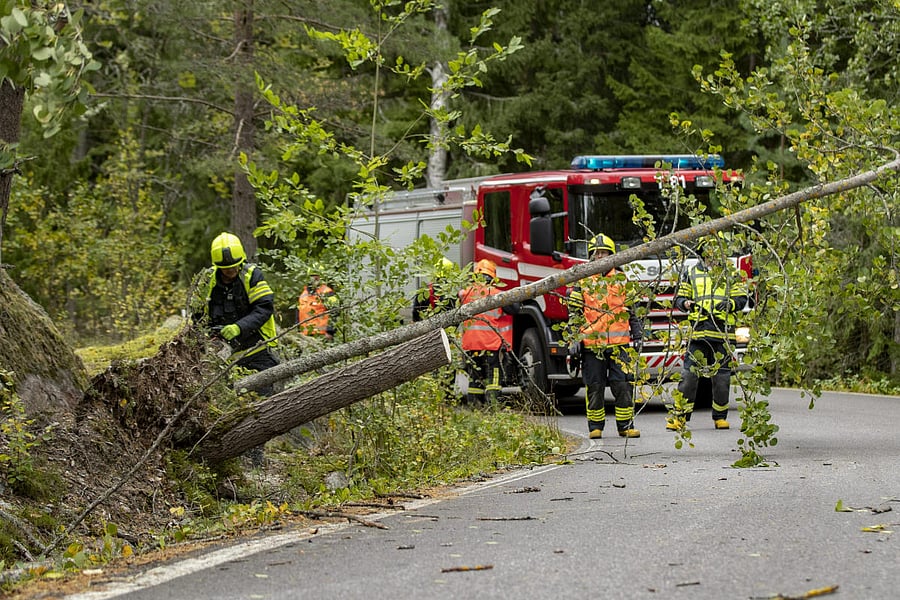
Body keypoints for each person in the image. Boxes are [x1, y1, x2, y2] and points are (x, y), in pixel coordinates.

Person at [193, 232, 279, 465]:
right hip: (221, 353)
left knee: (261, 402)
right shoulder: (208, 280)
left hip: (257, 348)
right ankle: (229, 454)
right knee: (225, 403)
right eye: (225, 269)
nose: (229, 272)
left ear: (240, 262)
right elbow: (197, 315)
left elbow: (264, 308)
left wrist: (239, 327)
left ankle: (256, 455)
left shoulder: (252, 276)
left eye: (233, 268)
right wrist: (208, 336)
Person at [668, 232, 749, 431]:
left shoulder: (730, 274)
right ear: (702, 252)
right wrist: (685, 303)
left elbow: (741, 299)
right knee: (688, 377)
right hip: (698, 334)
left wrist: (729, 304)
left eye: (715, 251)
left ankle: (720, 416)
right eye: (708, 251)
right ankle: (680, 417)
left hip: (722, 334)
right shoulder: (691, 273)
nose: (712, 255)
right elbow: (679, 299)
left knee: (721, 379)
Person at [568, 233, 643, 439]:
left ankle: (625, 426)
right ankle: (595, 426)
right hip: (593, 345)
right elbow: (574, 314)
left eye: (604, 253)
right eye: (597, 253)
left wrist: (638, 335)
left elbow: (632, 311)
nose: (601, 257)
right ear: (591, 256)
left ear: (612, 256)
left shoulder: (621, 279)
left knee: (623, 385)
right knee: (595, 386)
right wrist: (574, 339)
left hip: (620, 345)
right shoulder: (582, 281)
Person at [458, 259, 519, 405]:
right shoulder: (496, 294)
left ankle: (474, 405)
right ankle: (493, 405)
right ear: (493, 277)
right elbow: (514, 309)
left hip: (471, 344)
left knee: (475, 376)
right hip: (490, 343)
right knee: (494, 377)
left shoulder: (466, 294)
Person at [412, 257, 457, 322]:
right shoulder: (452, 292)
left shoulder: (424, 290)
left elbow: (416, 313)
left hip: (426, 328)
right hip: (447, 329)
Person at [297, 272, 337, 340]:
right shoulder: (303, 294)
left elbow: (334, 312)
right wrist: (298, 330)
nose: (315, 278)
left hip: (322, 335)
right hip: (305, 335)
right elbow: (298, 313)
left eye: (317, 276)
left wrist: (330, 332)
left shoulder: (327, 292)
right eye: (312, 276)